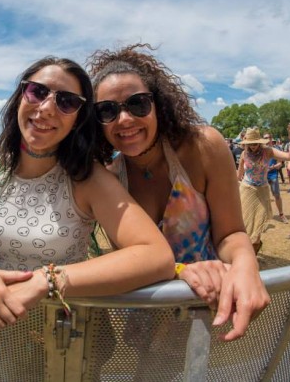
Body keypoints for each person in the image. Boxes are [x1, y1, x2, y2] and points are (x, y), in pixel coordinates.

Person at [0, 56, 175, 332]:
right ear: (21, 97)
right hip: (4, 324)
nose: (46, 108)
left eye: (67, 101)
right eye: (38, 91)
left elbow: (156, 255)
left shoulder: (86, 178)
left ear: (78, 119)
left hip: (69, 334)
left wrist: (47, 280)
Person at [89, 43, 269, 341]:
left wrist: (246, 264)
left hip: (206, 306)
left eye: (138, 104)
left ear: (158, 105)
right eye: (107, 111)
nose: (124, 119)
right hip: (147, 306)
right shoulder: (109, 180)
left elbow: (230, 234)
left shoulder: (204, 147)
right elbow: (131, 259)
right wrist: (180, 269)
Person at [237, 125, 290, 252]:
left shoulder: (268, 151)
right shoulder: (243, 154)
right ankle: (245, 252)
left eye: (255, 143)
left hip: (262, 190)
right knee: (245, 224)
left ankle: (254, 251)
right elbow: (239, 174)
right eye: (250, 143)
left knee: (258, 225)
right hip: (247, 190)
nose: (253, 146)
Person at [264, 133, 288, 224]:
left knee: (277, 195)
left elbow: (280, 163)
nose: (266, 139)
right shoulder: (261, 150)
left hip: (273, 175)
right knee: (264, 196)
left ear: (271, 139)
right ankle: (264, 215)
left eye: (268, 138)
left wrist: (274, 167)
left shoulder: (276, 150)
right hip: (263, 176)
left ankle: (281, 214)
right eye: (265, 138)